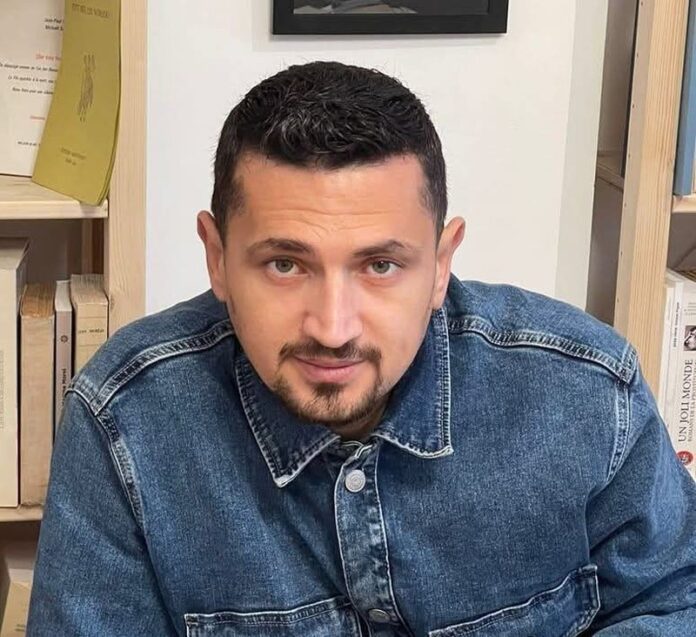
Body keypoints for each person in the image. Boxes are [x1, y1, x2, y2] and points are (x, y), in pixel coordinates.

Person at [27, 61, 696, 636]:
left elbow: (677, 600)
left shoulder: (587, 392)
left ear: (441, 264)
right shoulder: (126, 422)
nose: (333, 327)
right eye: (285, 265)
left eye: (380, 266)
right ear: (218, 257)